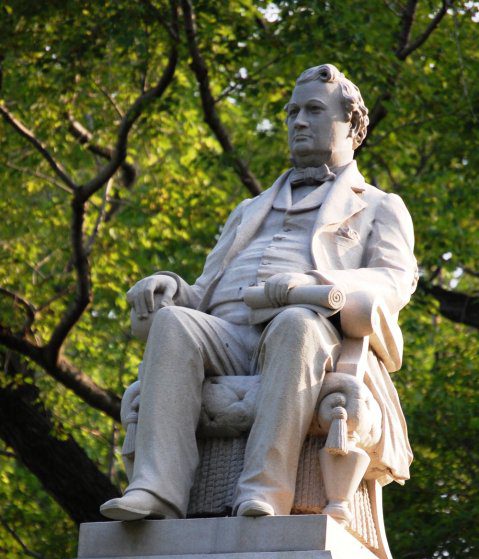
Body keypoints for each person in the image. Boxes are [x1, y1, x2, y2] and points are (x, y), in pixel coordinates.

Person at [100, 63, 417, 522]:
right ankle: (156, 490)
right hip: (227, 333)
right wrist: (173, 288)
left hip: (306, 329)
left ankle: (265, 491)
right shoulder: (249, 208)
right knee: (171, 322)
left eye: (312, 110)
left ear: (352, 125)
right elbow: (206, 291)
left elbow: (393, 281)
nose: (298, 122)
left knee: (295, 324)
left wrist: (318, 286)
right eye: (292, 113)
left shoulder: (380, 206)